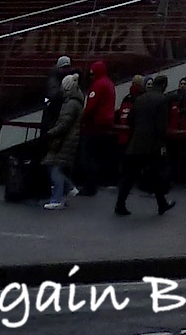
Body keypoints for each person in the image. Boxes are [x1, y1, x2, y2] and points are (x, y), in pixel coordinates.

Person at [115, 72, 175, 216]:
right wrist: (162, 144)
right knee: (156, 173)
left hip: (137, 142)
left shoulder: (140, 99)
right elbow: (161, 126)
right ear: (164, 85)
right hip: (152, 143)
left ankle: (120, 203)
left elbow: (130, 120)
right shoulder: (162, 100)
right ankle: (162, 204)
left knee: (131, 175)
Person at [44, 73, 83, 210]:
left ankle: (57, 198)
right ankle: (69, 189)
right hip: (69, 140)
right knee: (57, 167)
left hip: (64, 141)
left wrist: (51, 132)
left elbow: (64, 123)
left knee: (54, 168)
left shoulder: (70, 104)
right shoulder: (76, 101)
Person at [78, 56, 116, 190]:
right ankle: (96, 182)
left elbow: (91, 107)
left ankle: (89, 185)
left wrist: (81, 119)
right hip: (106, 125)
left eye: (92, 73)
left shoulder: (98, 85)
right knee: (98, 156)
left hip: (94, 125)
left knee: (87, 156)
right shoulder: (109, 83)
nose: (91, 76)